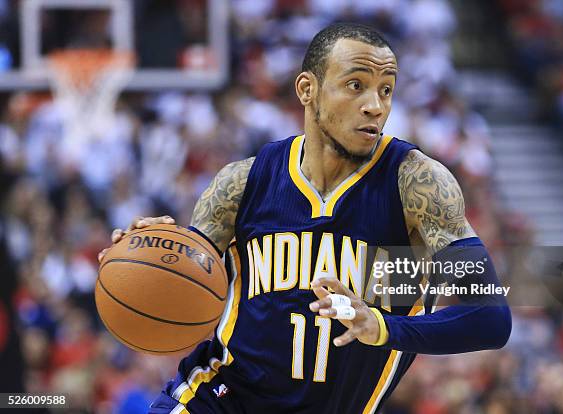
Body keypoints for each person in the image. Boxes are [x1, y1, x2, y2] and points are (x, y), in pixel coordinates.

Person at [99, 23, 511, 414]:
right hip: (221, 398)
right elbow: (187, 276)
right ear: (307, 89)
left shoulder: (417, 185)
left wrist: (383, 327)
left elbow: (490, 317)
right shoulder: (242, 183)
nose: (375, 106)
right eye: (356, 85)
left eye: (386, 90)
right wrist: (150, 250)